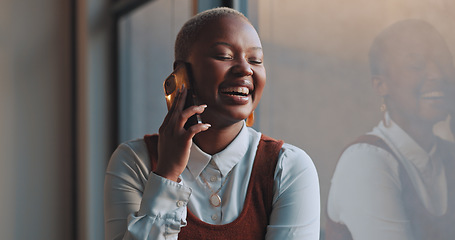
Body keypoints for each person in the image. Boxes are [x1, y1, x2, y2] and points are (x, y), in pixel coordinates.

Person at [104, 7, 320, 240]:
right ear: (182, 73)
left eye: (255, 60)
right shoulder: (134, 162)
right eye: (224, 56)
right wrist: (166, 175)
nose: (246, 69)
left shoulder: (288, 167)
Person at [326, 19, 455, 240]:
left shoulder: (447, 154)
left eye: (443, 63)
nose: (437, 74)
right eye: (416, 66)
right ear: (380, 85)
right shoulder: (366, 161)